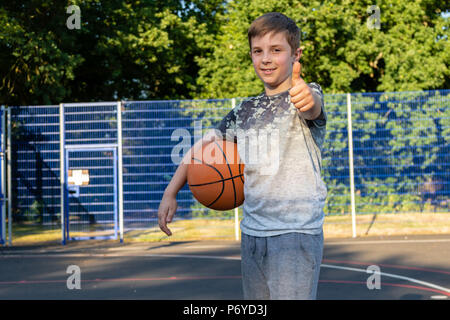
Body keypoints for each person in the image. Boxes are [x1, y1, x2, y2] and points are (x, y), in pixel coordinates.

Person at [158, 12, 327, 300]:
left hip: (294, 233)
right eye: (257, 51)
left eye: (276, 50)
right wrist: (170, 192)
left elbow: (313, 107)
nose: (266, 59)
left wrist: (308, 100)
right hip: (252, 233)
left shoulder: (306, 93)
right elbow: (202, 148)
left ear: (296, 54)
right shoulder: (244, 110)